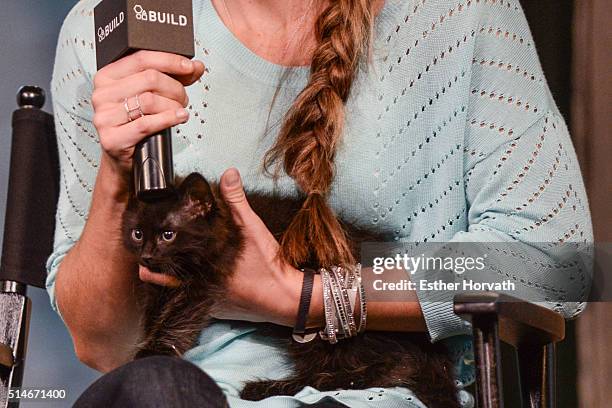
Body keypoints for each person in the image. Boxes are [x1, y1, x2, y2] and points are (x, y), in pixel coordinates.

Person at [46, 0, 592, 407]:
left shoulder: (461, 15)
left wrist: (303, 296)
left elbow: (554, 263)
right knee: (152, 387)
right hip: (182, 394)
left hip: (383, 391)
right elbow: (103, 345)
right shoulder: (112, 28)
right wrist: (117, 170)